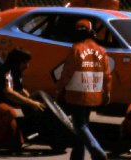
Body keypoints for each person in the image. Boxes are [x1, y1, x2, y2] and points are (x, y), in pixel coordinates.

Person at [57, 19, 111, 160]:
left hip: (77, 94)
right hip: (94, 94)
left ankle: (97, 150)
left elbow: (66, 73)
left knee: (80, 126)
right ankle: (77, 156)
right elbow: (107, 75)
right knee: (83, 127)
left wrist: (60, 90)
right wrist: (107, 93)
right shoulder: (101, 51)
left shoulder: (76, 49)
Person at [0, 47, 46, 153]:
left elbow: (20, 90)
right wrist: (31, 102)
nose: (27, 66)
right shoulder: (6, 72)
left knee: (16, 144)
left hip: (3, 103)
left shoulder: (17, 72)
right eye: (25, 63)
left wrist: (32, 100)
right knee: (12, 112)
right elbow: (9, 92)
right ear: (17, 62)